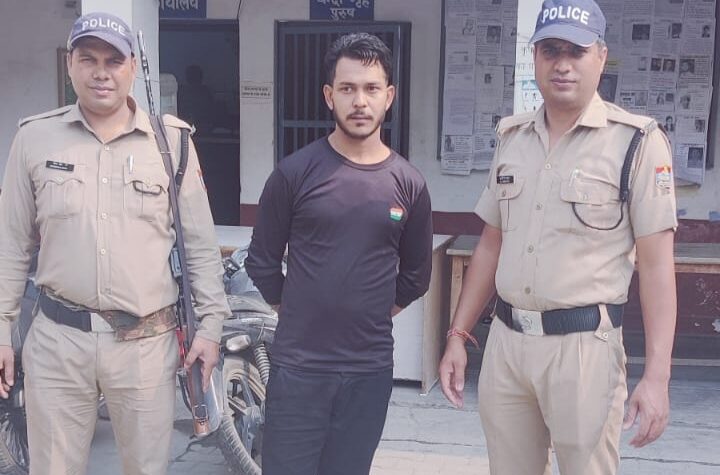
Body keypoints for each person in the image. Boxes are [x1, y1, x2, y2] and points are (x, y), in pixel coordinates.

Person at [439, 1, 678, 474]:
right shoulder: (513, 138)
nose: (562, 64)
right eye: (550, 50)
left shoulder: (636, 142)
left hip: (584, 351)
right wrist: (457, 335)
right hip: (506, 345)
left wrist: (657, 376)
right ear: (535, 57)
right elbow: (491, 244)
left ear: (601, 57)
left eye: (576, 51)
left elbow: (656, 267)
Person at [0, 13, 230, 475]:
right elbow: (11, 243)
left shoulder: (172, 143)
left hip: (145, 346)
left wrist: (210, 327)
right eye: (88, 59)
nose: (101, 72)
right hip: (58, 342)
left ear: (132, 68)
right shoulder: (34, 138)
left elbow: (200, 246)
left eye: (113, 61)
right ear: (70, 64)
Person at [245, 33, 433, 475]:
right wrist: (296, 308)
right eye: (348, 88)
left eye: (371, 88)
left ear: (389, 96)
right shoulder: (294, 173)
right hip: (298, 367)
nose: (360, 101)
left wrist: (370, 313)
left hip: (368, 370)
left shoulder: (409, 184)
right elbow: (262, 260)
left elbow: (416, 276)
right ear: (329, 96)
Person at [177, 64, 214, 136]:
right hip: (184, 127)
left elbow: (210, 112)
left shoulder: (205, 92)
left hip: (203, 129)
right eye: (191, 75)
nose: (193, 78)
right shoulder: (181, 91)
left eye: (195, 75)